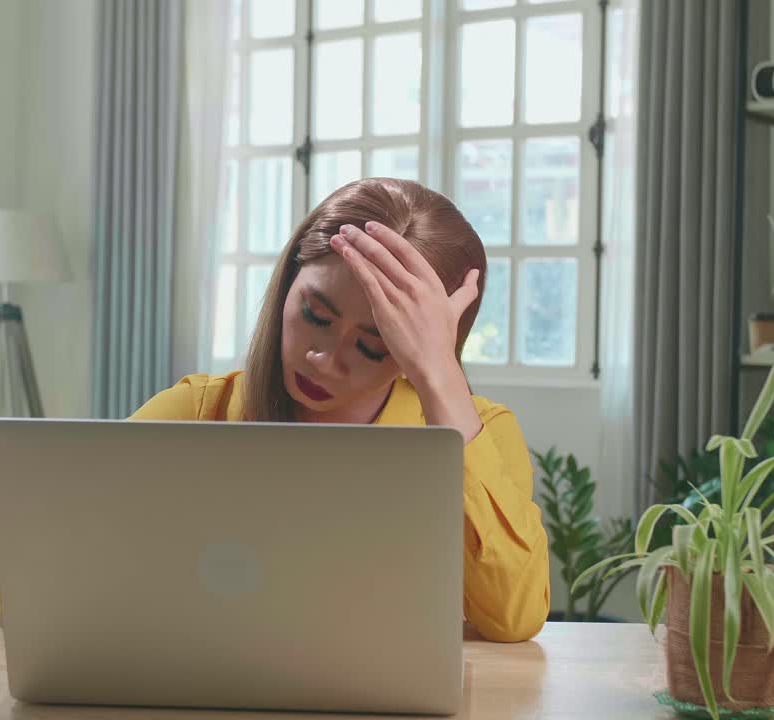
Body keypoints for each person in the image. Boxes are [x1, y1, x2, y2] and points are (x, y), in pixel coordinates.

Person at [132, 178, 549, 643]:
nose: (325, 359)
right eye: (315, 315)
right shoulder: (195, 410)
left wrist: (440, 377)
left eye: (373, 346)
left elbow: (514, 618)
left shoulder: (481, 433)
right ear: (288, 284)